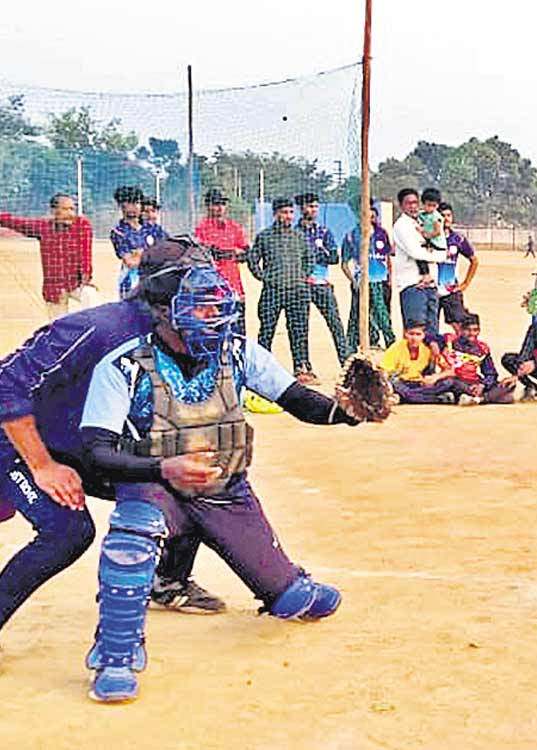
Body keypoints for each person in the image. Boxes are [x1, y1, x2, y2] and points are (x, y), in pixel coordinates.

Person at [78, 261, 362, 702]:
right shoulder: (124, 366)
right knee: (131, 539)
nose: (215, 318)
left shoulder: (237, 352)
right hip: (155, 487)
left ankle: (276, 579)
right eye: (201, 309)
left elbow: (296, 399)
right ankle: (116, 653)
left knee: (295, 601)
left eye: (217, 307)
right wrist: (163, 469)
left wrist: (345, 412)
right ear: (163, 312)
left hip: (225, 491)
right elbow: (95, 451)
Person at [0, 241, 229, 657]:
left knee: (189, 478)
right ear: (167, 294)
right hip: (20, 443)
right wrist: (43, 465)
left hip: (81, 445)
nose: (210, 302)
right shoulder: (99, 328)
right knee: (68, 532)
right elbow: (7, 383)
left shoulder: (182, 333)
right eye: (197, 290)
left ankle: (169, 581)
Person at [247, 198, 316, 384]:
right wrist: (265, 277)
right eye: (284, 213)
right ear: (275, 214)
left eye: (291, 213)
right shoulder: (265, 236)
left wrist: (302, 276)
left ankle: (301, 367)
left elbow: (310, 259)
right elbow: (252, 260)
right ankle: (261, 369)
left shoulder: (299, 236)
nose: (288, 216)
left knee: (299, 331)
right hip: (273, 291)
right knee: (267, 330)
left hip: (298, 291)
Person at [0, 193, 94, 319]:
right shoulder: (43, 227)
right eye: (66, 209)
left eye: (72, 209)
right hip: (53, 288)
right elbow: (18, 223)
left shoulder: (82, 225)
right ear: (55, 210)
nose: (71, 213)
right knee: (57, 326)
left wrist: (85, 279)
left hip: (77, 283)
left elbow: (85, 254)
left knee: (91, 297)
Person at [296, 192, 352, 368]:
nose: (313, 210)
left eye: (315, 206)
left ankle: (346, 363)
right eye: (309, 206)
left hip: (322, 284)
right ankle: (304, 366)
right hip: (301, 286)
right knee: (301, 326)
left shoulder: (324, 232)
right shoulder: (294, 232)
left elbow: (334, 258)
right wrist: (315, 256)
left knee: (335, 324)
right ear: (301, 208)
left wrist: (317, 255)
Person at [341, 202, 396, 350]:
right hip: (362, 282)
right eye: (366, 211)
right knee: (356, 314)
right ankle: (351, 346)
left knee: (382, 314)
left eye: (372, 212)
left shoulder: (381, 233)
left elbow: (387, 257)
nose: (370, 215)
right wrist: (353, 281)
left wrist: (390, 278)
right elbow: (344, 263)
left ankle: (391, 344)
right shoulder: (352, 235)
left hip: (380, 282)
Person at [193, 188, 250, 330]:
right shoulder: (201, 229)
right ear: (207, 206)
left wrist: (225, 252)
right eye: (216, 204)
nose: (220, 208)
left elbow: (247, 253)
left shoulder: (234, 227)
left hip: (234, 288)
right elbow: (208, 254)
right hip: (213, 290)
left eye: (223, 204)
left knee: (239, 332)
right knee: (216, 332)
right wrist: (232, 251)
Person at [391, 188, 438, 335]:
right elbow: (416, 251)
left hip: (430, 284)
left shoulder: (423, 221)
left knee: (432, 335)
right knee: (415, 332)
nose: (413, 206)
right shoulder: (402, 225)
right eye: (408, 203)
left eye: (415, 203)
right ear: (401, 206)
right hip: (413, 284)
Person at [439, 314, 515, 404]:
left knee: (509, 387)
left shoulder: (482, 349)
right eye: (468, 330)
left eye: (475, 330)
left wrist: (482, 385)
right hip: (456, 381)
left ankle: (477, 399)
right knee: (450, 383)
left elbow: (491, 373)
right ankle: (483, 398)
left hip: (475, 382)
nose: (472, 334)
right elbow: (427, 338)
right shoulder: (449, 341)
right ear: (461, 330)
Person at [381, 319, 460, 404]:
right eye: (411, 334)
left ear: (423, 336)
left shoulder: (428, 349)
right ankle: (438, 399)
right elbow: (383, 371)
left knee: (449, 382)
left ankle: (408, 398)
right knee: (397, 386)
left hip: (421, 383)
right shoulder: (396, 348)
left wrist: (435, 377)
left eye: (418, 334)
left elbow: (452, 371)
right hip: (402, 383)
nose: (414, 338)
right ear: (405, 334)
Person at [109, 186, 165, 298]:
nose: (134, 207)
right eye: (129, 202)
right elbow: (130, 262)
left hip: (156, 279)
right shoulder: (119, 232)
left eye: (137, 202)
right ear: (121, 205)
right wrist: (151, 252)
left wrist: (140, 253)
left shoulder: (153, 228)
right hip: (132, 281)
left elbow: (166, 252)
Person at [438, 202, 479, 336]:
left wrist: (465, 283)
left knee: (459, 325)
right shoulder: (429, 238)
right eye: (442, 215)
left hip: (450, 288)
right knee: (429, 326)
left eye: (448, 215)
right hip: (431, 289)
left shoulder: (458, 239)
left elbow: (474, 260)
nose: (446, 219)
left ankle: (463, 351)